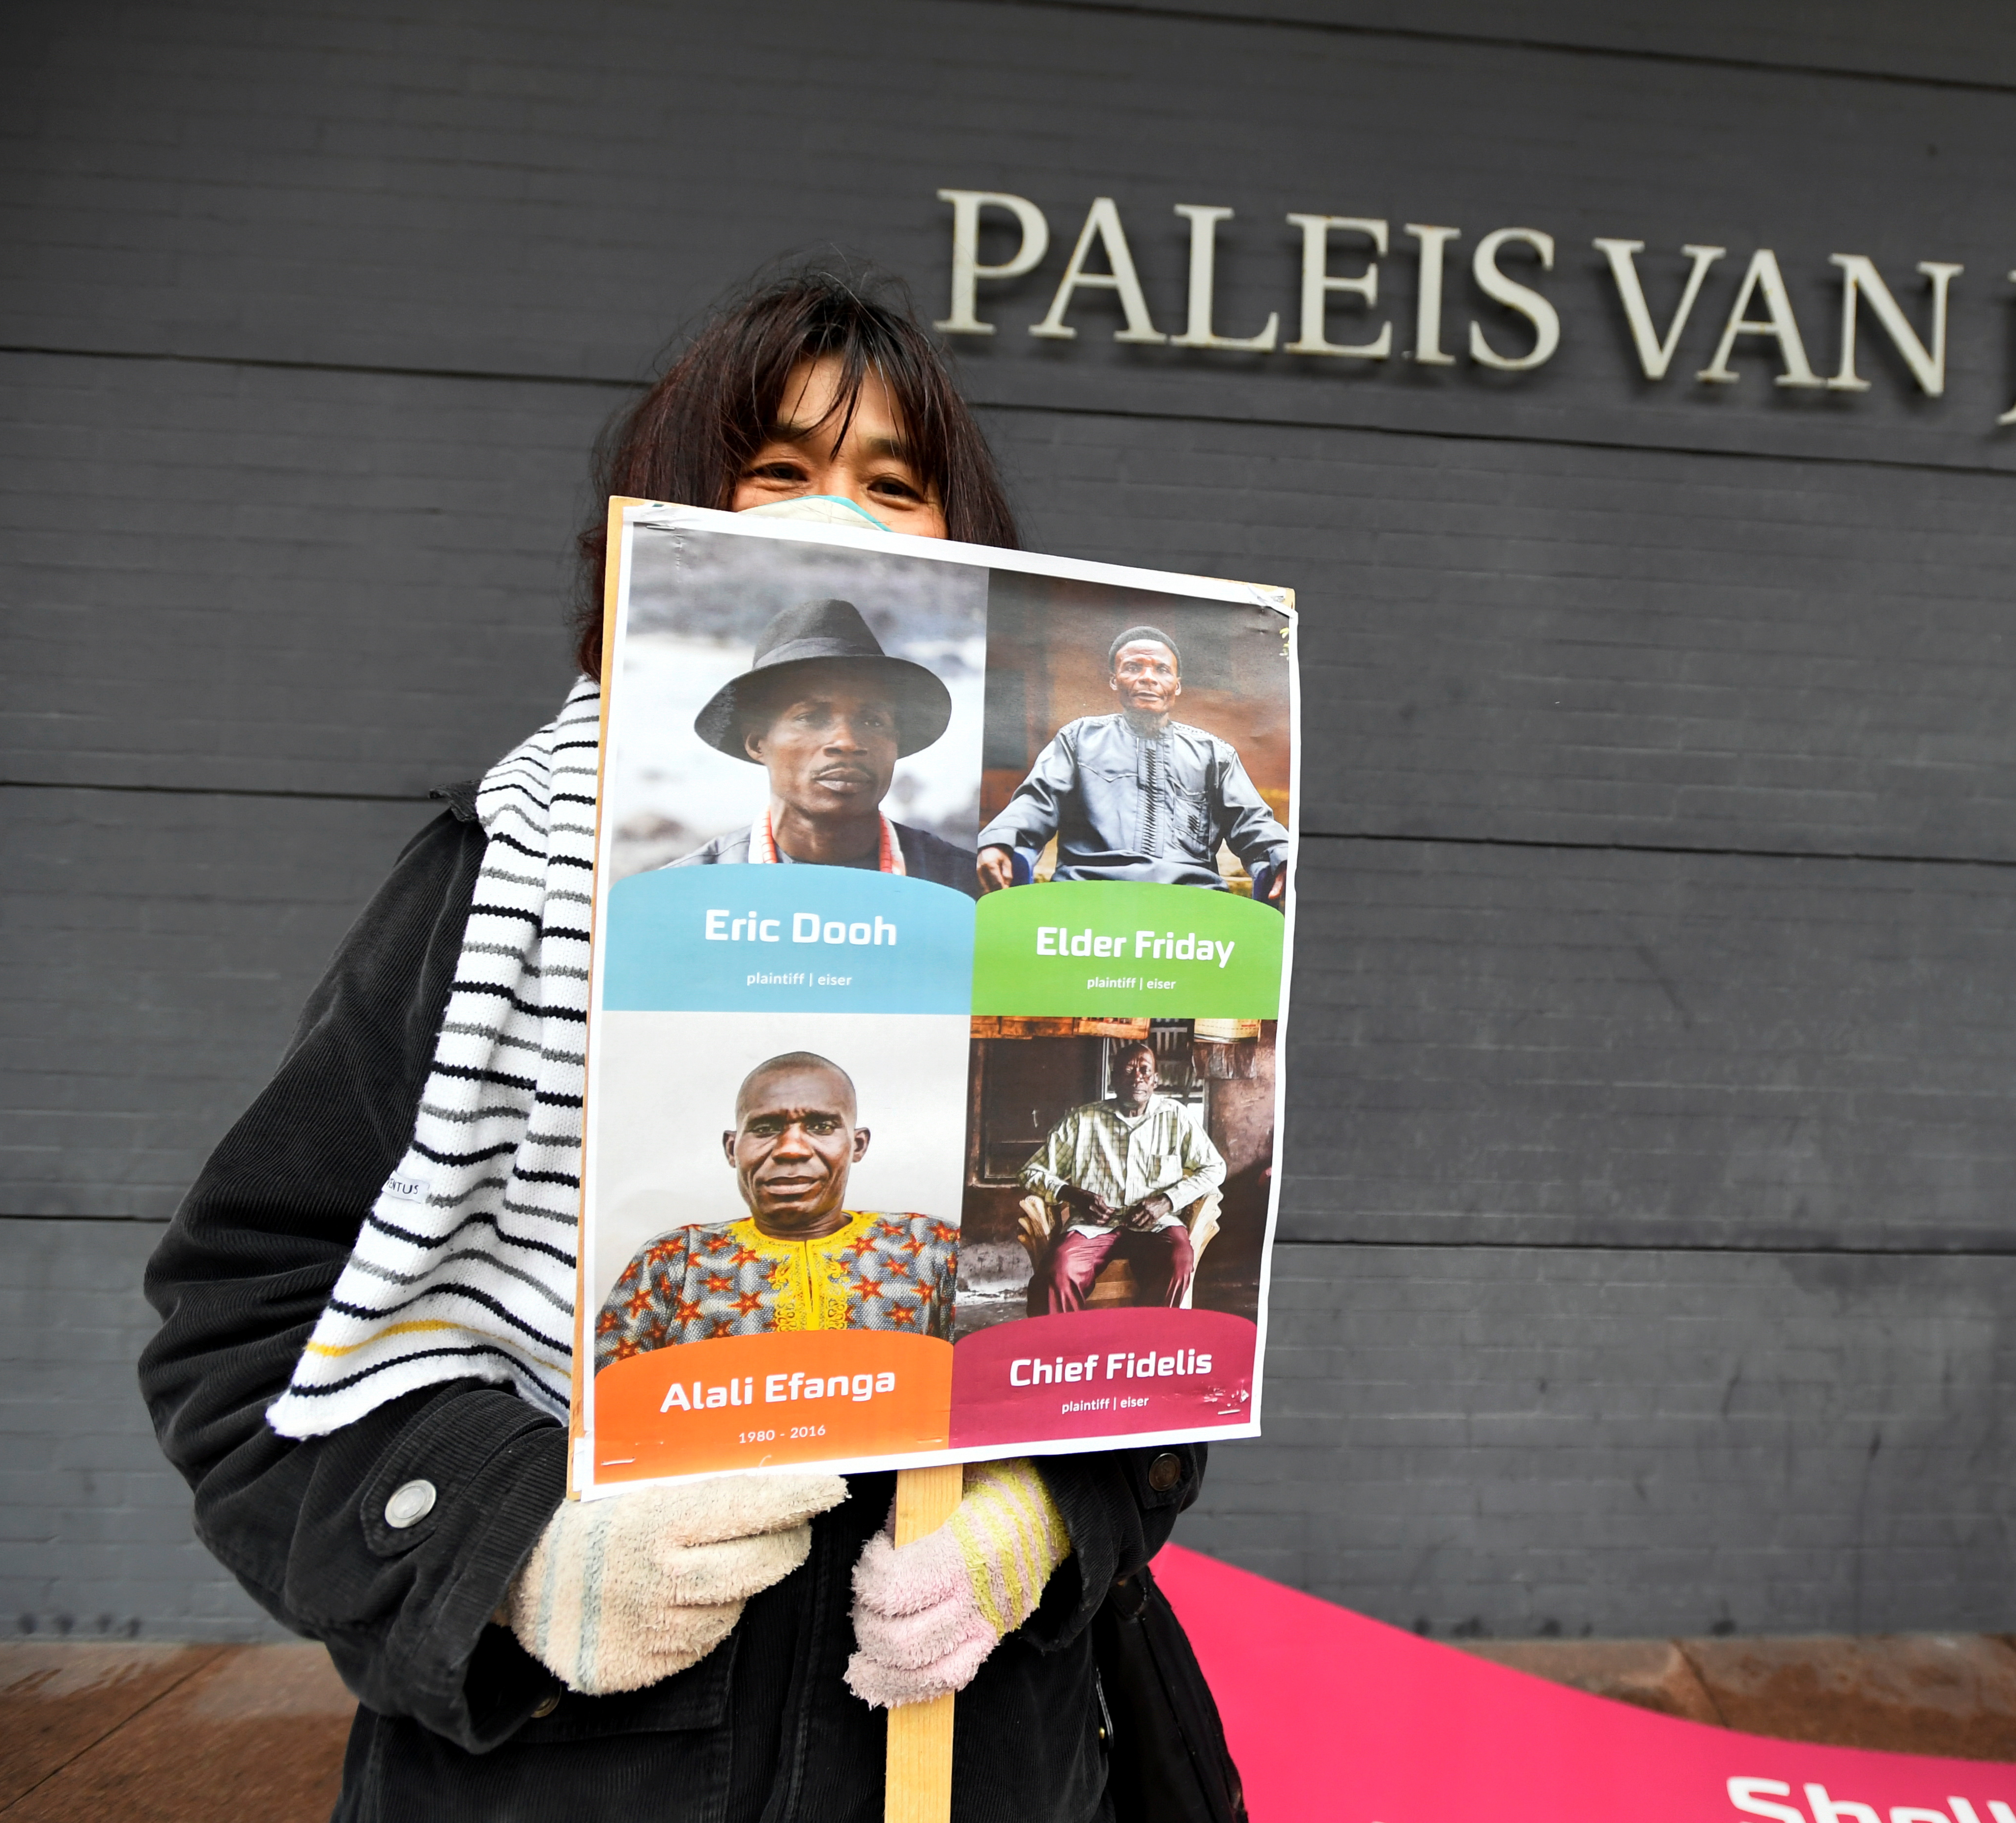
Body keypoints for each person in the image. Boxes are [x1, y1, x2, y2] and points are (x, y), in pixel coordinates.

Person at [137, 263, 1206, 1823]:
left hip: (980, 1758)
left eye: (890, 483)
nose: (833, 514)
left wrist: (1052, 1512)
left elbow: (1152, 1301)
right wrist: (511, 1550)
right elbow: (243, 1320)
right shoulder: (512, 868)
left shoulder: (1031, 904)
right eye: (775, 469)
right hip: (591, 1774)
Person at [595, 1052, 954, 1363]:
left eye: (821, 1126)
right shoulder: (673, 1261)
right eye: (765, 1128)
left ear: (857, 1145)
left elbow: (975, 1391)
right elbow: (609, 1398)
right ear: (732, 1149)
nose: (791, 1149)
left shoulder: (933, 1246)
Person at [666, 596, 981, 894]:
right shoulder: (690, 893)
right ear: (757, 743)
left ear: (896, 743)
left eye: (873, 722)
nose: (846, 742)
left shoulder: (964, 889)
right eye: (810, 717)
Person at [973, 625, 1290, 901]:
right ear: (1115, 681)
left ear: (1177, 685)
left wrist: (1285, 858)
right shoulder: (1079, 739)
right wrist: (999, 840)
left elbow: (1253, 823)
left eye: (1161, 670)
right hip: (1087, 897)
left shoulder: (1214, 754)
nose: (1147, 678)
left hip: (1191, 901)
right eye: (1133, 667)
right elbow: (1035, 802)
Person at [1022, 1041, 1226, 1311]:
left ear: (1155, 1080)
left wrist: (1167, 1201)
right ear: (1114, 1078)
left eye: (1145, 1070)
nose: (1137, 1078)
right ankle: (1068, 1337)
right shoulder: (1083, 1120)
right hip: (1094, 1226)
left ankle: (1148, 1334)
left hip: (1157, 1224)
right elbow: (1031, 1172)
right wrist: (1074, 1195)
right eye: (1128, 1071)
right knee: (1060, 1267)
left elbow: (1215, 1168)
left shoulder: (1176, 1116)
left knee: (1179, 1259)